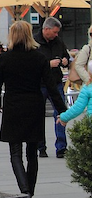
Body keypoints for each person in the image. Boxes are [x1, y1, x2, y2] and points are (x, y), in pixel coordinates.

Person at [0, 20, 68, 197]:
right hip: (34, 104)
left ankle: (24, 189)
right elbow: (51, 86)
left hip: (13, 105)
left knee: (15, 152)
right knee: (32, 153)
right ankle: (30, 190)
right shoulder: (39, 58)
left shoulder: (4, 58)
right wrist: (62, 109)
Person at [34, 16, 69, 158]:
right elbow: (31, 64)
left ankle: (61, 147)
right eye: (54, 32)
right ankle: (40, 146)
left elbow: (65, 56)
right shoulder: (35, 43)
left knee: (61, 113)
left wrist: (65, 61)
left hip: (56, 83)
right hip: (40, 84)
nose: (56, 35)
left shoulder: (58, 42)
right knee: (37, 115)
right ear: (46, 29)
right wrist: (48, 64)